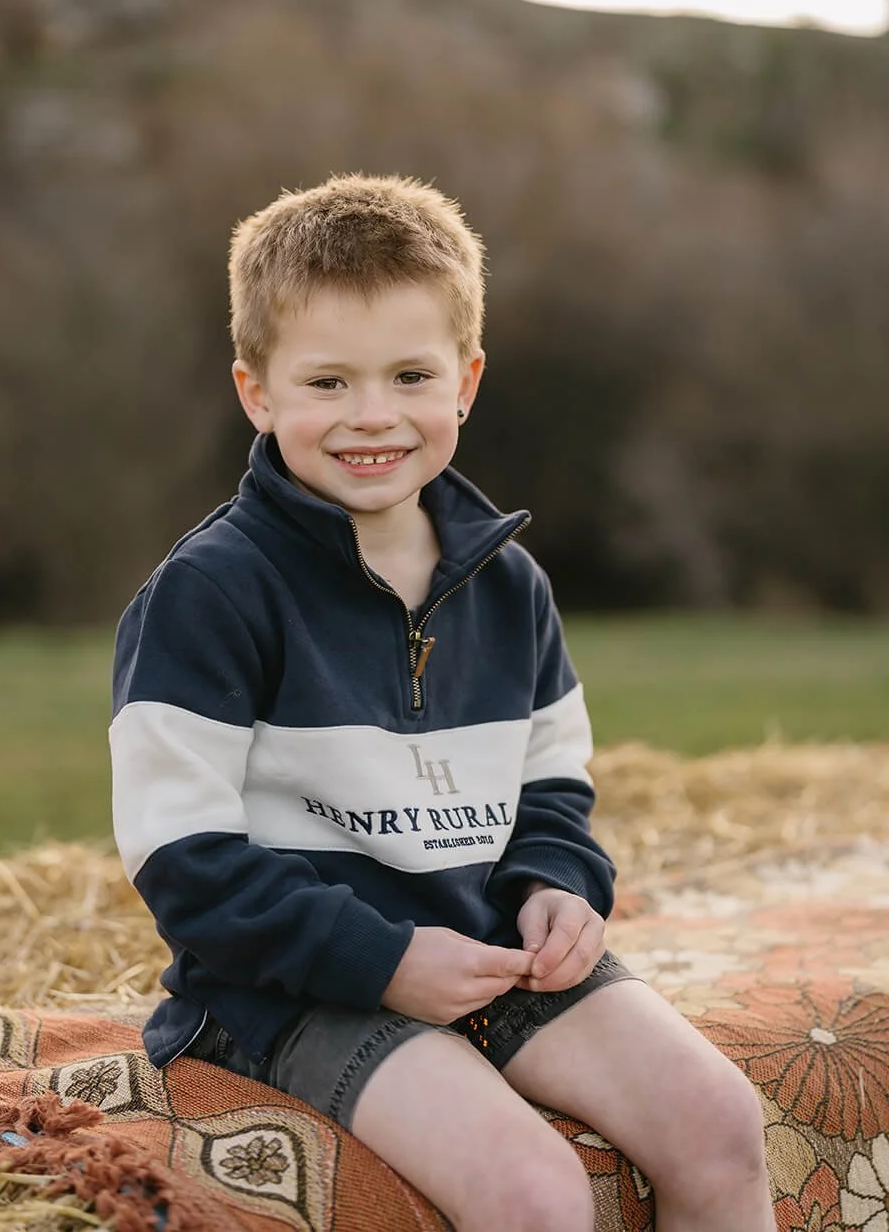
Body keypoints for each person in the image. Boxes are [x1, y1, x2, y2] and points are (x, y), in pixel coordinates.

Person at [110, 174, 775, 1232]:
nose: (372, 416)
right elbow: (180, 860)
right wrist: (384, 960)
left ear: (464, 382)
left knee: (718, 1123)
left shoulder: (509, 588)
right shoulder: (211, 593)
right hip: (294, 986)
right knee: (532, 1191)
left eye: (409, 375)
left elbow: (551, 788)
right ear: (257, 392)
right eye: (326, 383)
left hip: (488, 948)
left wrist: (559, 888)